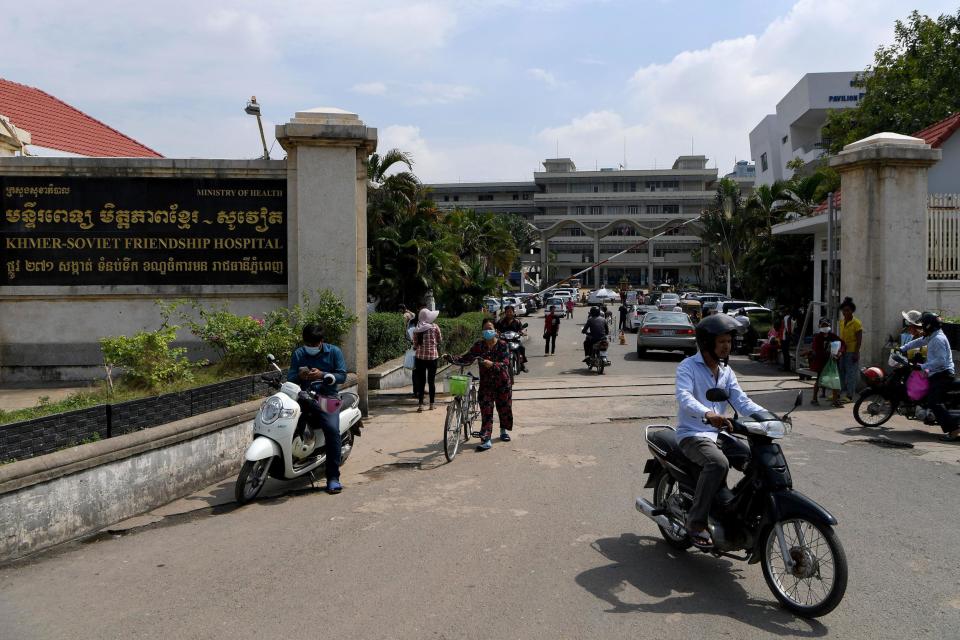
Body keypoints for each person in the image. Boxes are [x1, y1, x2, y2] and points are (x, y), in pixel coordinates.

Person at [675, 314, 765, 548]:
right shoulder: (688, 367)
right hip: (693, 434)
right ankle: (696, 523)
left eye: (729, 341)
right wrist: (708, 413)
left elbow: (742, 400)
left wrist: (767, 416)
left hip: (720, 435)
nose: (727, 346)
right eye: (722, 341)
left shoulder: (726, 372)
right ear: (707, 344)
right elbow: (684, 397)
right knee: (718, 464)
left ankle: (732, 510)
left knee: (754, 461)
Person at [288, 323, 348, 494]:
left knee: (331, 430)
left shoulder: (334, 352)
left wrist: (323, 375)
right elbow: (290, 377)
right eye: (308, 344)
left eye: (314, 345)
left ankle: (333, 477)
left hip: (326, 398)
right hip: (303, 397)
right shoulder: (299, 353)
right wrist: (298, 376)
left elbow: (342, 375)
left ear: (321, 341)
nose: (311, 348)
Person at [452, 318, 513, 450]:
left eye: (490, 328)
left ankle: (503, 431)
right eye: (485, 328)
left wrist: (493, 364)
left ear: (495, 330)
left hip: (502, 382)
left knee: (504, 408)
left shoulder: (503, 345)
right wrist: (451, 358)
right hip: (486, 384)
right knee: (486, 411)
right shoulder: (479, 346)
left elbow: (506, 363)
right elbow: (466, 358)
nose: (487, 331)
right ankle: (486, 439)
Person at [900, 312, 960, 442]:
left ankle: (954, 430)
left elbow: (941, 361)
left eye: (923, 325)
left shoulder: (937, 340)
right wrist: (903, 348)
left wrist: (922, 366)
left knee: (934, 402)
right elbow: (919, 341)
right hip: (936, 372)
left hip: (943, 374)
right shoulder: (933, 336)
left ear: (929, 326)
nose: (921, 327)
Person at [412, 308, 442, 412]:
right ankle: (432, 404)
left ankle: (420, 405)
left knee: (421, 382)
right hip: (432, 358)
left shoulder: (417, 329)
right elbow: (439, 340)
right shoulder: (435, 327)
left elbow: (415, 344)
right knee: (431, 381)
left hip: (420, 358)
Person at [809, 318, 843, 407]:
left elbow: (843, 344)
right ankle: (814, 399)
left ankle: (835, 401)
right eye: (823, 325)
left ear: (830, 326)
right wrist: (829, 354)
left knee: (835, 380)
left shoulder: (833, 336)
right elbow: (817, 350)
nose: (825, 327)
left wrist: (840, 352)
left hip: (832, 362)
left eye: (826, 325)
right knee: (819, 380)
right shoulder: (817, 338)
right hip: (821, 362)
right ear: (819, 326)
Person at [838, 297, 863, 402]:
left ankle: (849, 395)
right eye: (844, 310)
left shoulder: (857, 323)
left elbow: (859, 340)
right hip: (842, 351)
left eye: (847, 310)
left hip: (852, 352)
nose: (845, 312)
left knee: (851, 374)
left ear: (852, 310)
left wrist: (856, 353)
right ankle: (839, 393)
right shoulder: (841, 322)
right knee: (841, 372)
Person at [495, 305, 527, 372]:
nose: (509, 313)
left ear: (513, 312)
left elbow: (521, 329)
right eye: (507, 312)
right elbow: (496, 329)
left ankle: (522, 364)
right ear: (505, 313)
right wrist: (497, 333)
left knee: (522, 347)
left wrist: (522, 333)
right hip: (503, 341)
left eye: (510, 312)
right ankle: (497, 365)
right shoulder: (501, 321)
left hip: (515, 340)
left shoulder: (517, 321)